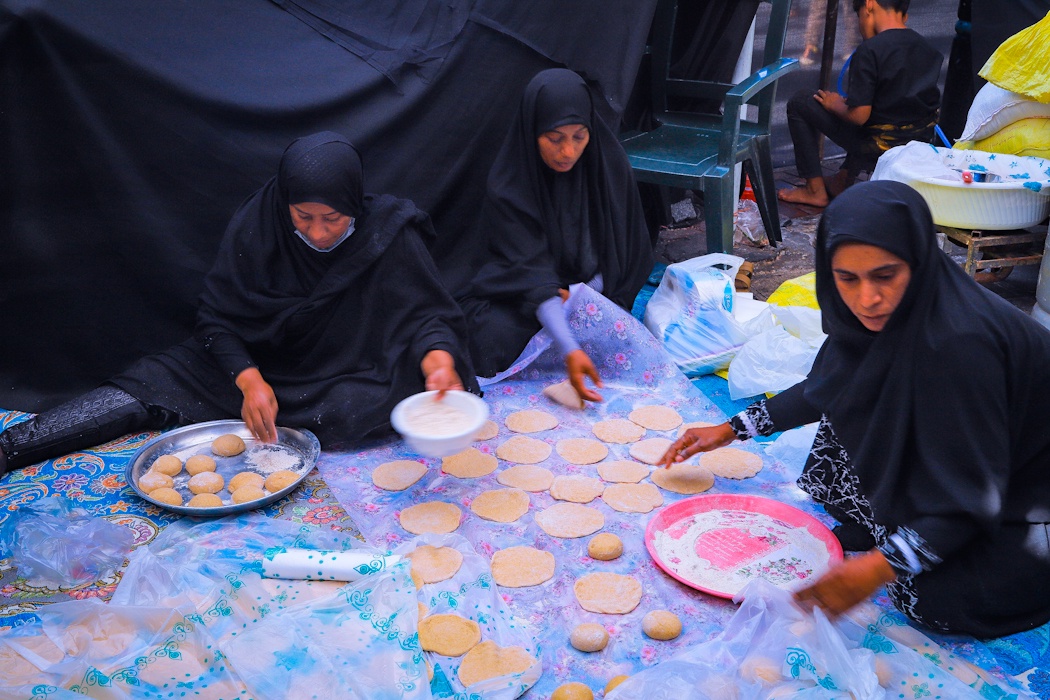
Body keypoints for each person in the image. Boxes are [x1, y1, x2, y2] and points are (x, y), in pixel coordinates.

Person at [662, 180, 1050, 637]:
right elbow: (832, 387)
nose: (867, 298)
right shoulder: (872, 316)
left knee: (925, 599)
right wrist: (732, 429)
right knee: (839, 448)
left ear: (919, 262)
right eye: (847, 278)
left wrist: (875, 570)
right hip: (956, 457)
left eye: (885, 275)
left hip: (1015, 495)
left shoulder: (961, 346)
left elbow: (972, 494)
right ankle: (899, 532)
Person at [0, 132, 477, 475]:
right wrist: (248, 379)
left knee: (363, 403)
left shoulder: (388, 234)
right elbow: (216, 320)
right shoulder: (259, 226)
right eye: (303, 216)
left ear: (354, 201)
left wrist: (437, 360)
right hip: (260, 362)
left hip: (353, 366)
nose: (317, 232)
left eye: (333, 217)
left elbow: (427, 315)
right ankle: (11, 447)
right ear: (285, 204)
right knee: (154, 380)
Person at [453, 68, 653, 402]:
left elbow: (622, 253)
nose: (568, 152)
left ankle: (569, 352)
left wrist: (581, 297)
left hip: (593, 297)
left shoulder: (607, 168)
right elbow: (525, 268)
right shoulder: (510, 185)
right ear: (532, 132)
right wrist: (569, 345)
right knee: (489, 336)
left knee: (623, 338)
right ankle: (569, 358)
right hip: (527, 296)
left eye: (579, 136)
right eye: (555, 138)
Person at [778, 0, 942, 208]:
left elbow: (859, 116)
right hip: (917, 144)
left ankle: (814, 191)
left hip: (879, 146)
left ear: (870, 5)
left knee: (801, 101)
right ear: (904, 14)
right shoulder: (927, 48)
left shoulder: (870, 50)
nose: (860, 25)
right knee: (866, 115)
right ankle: (843, 180)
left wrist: (834, 104)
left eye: (858, 16)